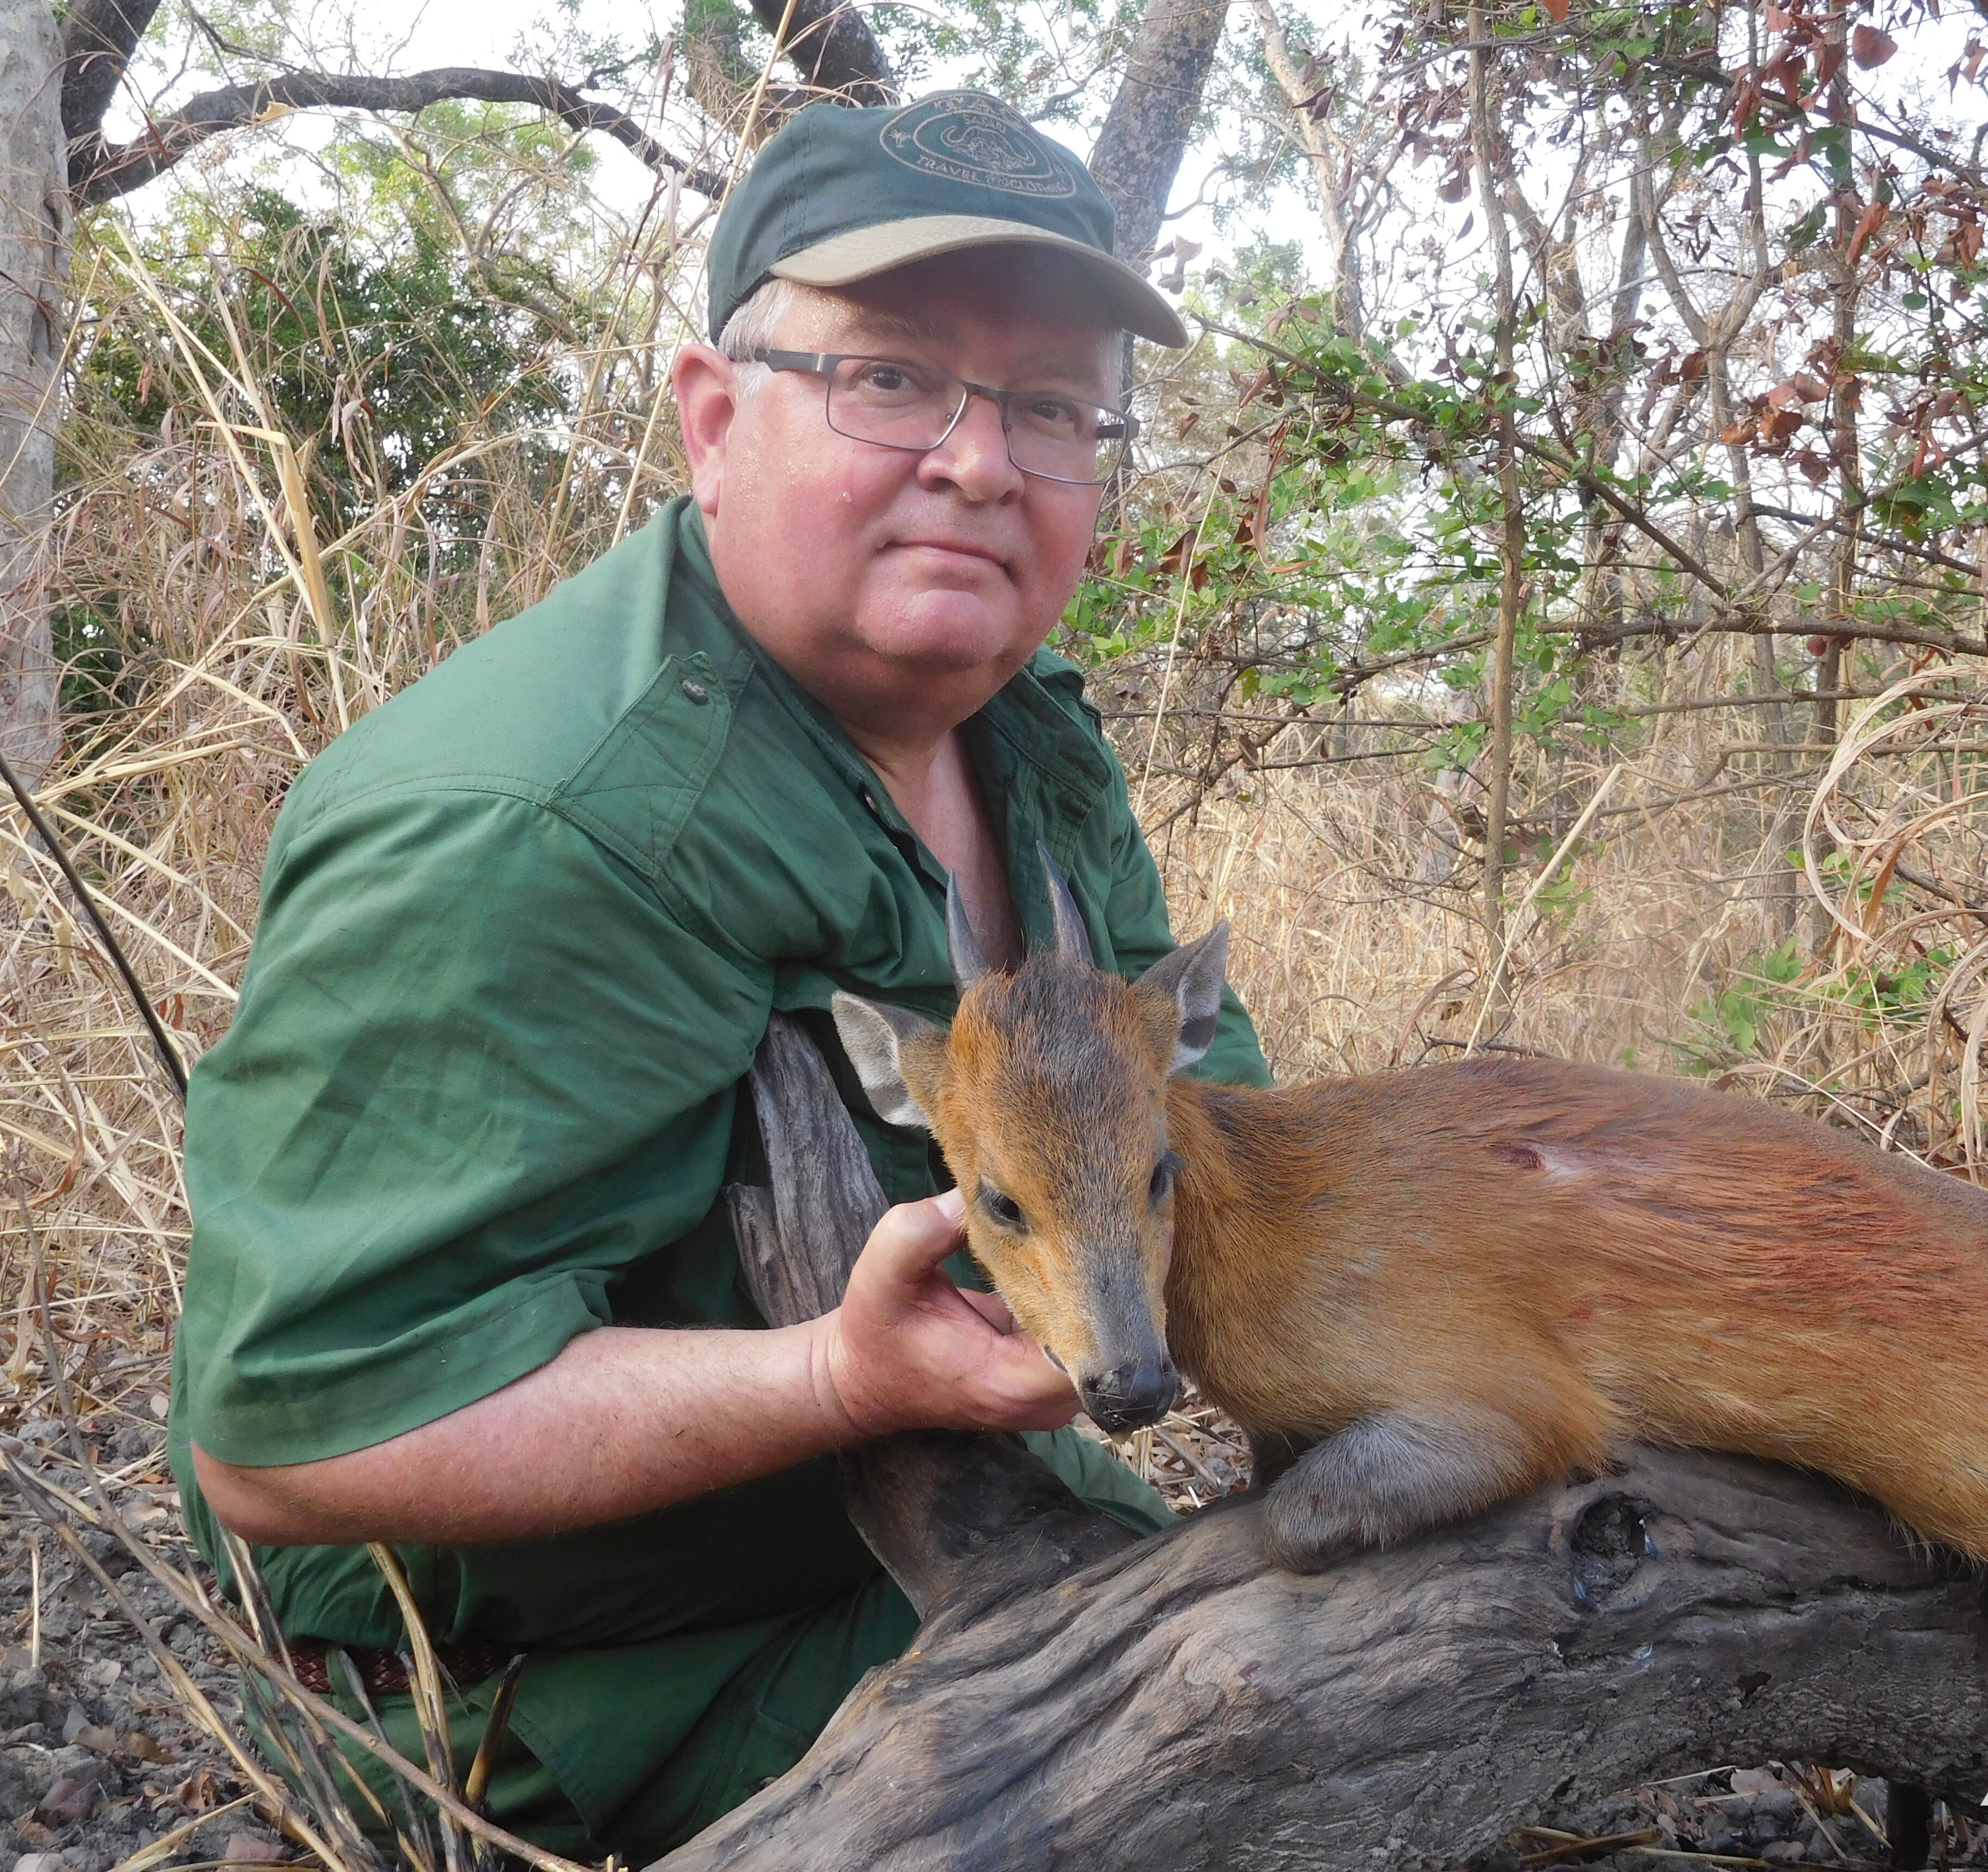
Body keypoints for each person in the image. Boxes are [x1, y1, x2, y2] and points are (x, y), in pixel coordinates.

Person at [167, 89, 1269, 1860]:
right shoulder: (535, 823)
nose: (981, 461)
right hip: (585, 1673)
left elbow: (1216, 1117)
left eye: (1053, 406)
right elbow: (294, 1447)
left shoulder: (1027, 734)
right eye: (891, 375)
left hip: (955, 1503)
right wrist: (844, 1380)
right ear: (710, 415)